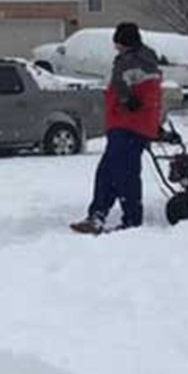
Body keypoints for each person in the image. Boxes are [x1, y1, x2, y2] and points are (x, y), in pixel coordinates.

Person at [70, 22, 163, 234]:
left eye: (118, 42)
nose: (116, 47)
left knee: (123, 173)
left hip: (127, 125)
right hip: (133, 125)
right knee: (109, 171)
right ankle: (98, 215)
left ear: (124, 42)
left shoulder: (131, 61)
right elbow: (151, 94)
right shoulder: (147, 59)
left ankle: (130, 219)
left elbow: (123, 86)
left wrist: (125, 99)